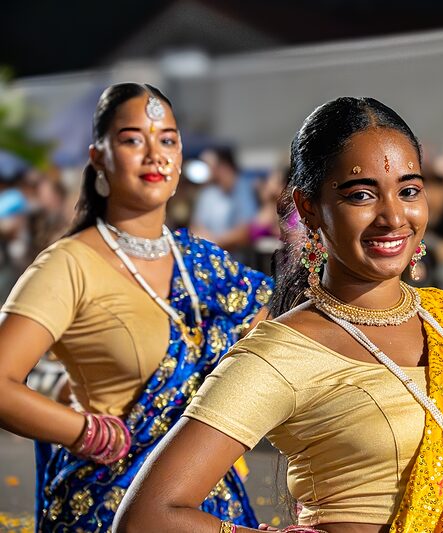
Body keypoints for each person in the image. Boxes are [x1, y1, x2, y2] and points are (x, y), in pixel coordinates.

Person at [114, 96, 443, 533]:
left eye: (409, 190)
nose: (394, 217)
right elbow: (149, 515)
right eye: (361, 195)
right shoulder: (280, 352)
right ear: (309, 208)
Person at [0, 83, 273, 532]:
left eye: (167, 139)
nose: (155, 155)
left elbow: (280, 329)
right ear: (99, 157)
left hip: (204, 505)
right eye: (132, 140)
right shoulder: (68, 265)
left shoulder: (200, 263)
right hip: (109, 504)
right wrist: (84, 432)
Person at [192, 146, 260, 252]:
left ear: (224, 167)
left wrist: (215, 242)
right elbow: (196, 227)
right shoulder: (208, 194)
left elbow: (246, 230)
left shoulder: (244, 189)